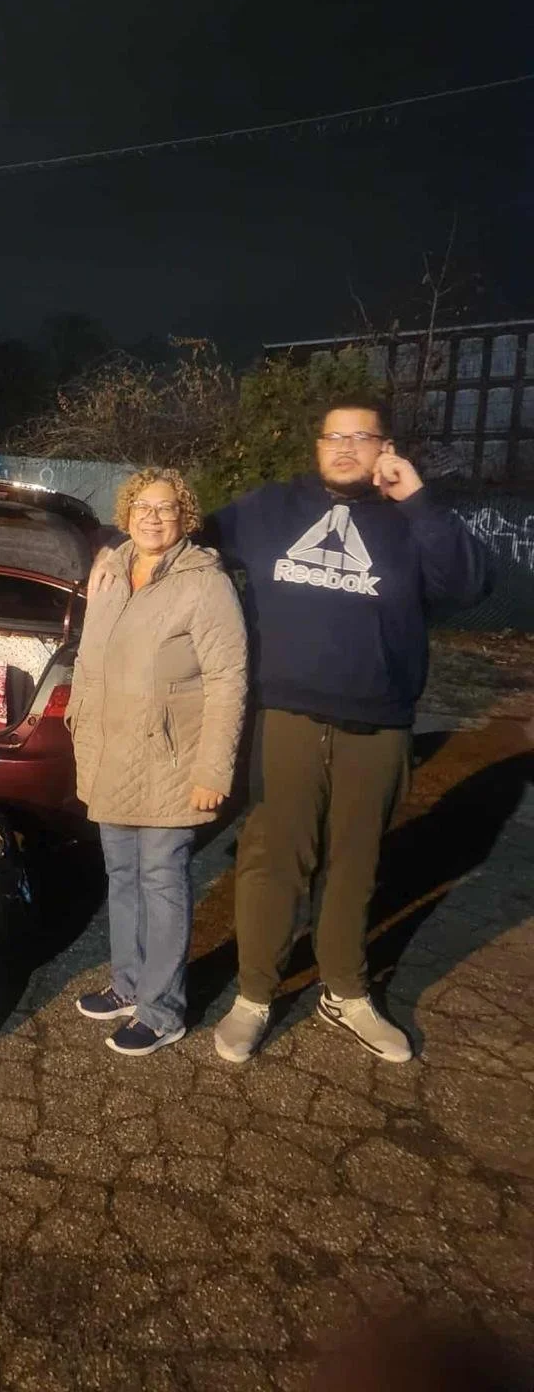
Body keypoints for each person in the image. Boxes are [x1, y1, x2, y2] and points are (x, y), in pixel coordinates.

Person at [202, 400, 491, 1064]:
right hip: (288, 717)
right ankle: (253, 996)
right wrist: (112, 546)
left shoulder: (408, 519)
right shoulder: (272, 507)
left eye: (360, 437)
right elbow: (190, 536)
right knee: (273, 862)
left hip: (379, 722)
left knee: (355, 866)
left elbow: (469, 583)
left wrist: (417, 498)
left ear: (385, 447)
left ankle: (346, 992)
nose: (343, 448)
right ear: (317, 445)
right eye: (333, 436)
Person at [67, 467, 247, 1056]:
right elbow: (91, 661)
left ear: (184, 517)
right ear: (126, 514)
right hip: (111, 753)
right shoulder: (113, 571)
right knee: (121, 876)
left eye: (166, 508)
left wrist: (213, 770)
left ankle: (163, 1011)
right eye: (142, 506)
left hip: (172, 761)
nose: (152, 516)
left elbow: (227, 679)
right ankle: (128, 985)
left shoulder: (205, 584)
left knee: (161, 879)